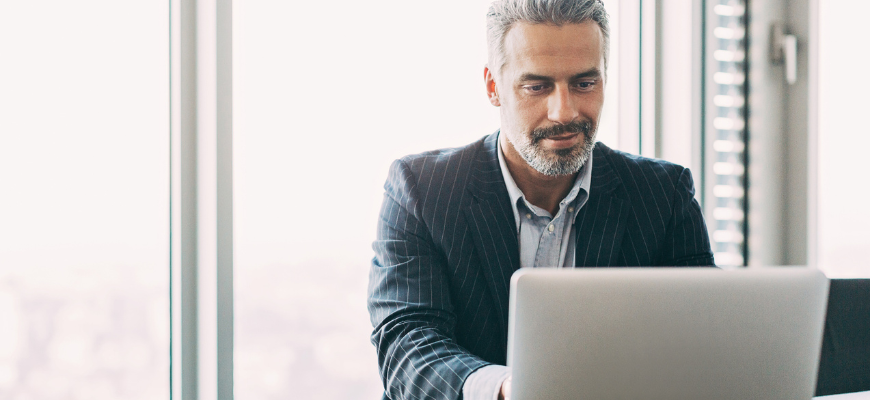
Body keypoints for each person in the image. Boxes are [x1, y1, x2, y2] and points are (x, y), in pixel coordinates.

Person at [367, 0, 714, 399]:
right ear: (493, 87)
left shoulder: (664, 195)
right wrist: (504, 389)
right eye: (537, 86)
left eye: (584, 84)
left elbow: (704, 338)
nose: (563, 112)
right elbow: (407, 343)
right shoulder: (422, 190)